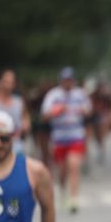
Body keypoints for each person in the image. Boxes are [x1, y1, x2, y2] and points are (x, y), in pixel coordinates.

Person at [40, 67, 92, 213]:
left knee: (74, 166)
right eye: (65, 80)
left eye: (70, 79)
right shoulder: (53, 95)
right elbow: (44, 115)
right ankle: (63, 190)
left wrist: (84, 111)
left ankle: (73, 198)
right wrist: (56, 110)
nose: (67, 82)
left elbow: (89, 110)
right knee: (62, 170)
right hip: (59, 137)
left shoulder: (80, 94)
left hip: (76, 135)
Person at [0, 70, 29, 154]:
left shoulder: (19, 102)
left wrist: (25, 125)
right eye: (6, 81)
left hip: (15, 144)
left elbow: (26, 119)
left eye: (11, 82)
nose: (8, 85)